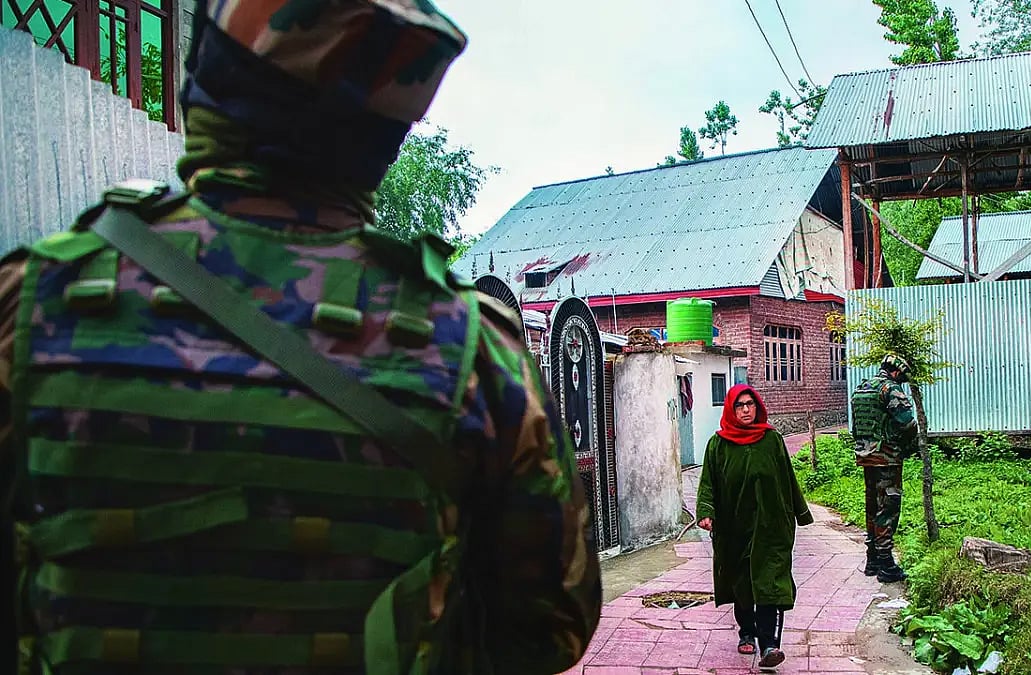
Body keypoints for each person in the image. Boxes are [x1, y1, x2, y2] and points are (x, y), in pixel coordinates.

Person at [0, 1, 601, 673]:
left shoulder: (30, 303)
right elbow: (551, 625)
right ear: (381, 140)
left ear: (205, 86)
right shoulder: (473, 351)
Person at [695, 385, 813, 670]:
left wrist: (801, 512)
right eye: (740, 406)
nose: (746, 410)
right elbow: (708, 483)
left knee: (769, 583)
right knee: (743, 584)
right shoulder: (718, 444)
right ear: (731, 410)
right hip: (734, 528)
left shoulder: (771, 440)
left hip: (771, 526)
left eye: (750, 404)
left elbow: (787, 477)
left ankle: (769, 644)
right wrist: (706, 512)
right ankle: (746, 630)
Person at [850, 354, 919, 584]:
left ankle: (872, 559)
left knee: (872, 505)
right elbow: (908, 423)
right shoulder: (890, 389)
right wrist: (908, 447)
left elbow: (856, 426)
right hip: (887, 457)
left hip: (865, 456)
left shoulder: (862, 388)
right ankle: (886, 563)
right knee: (888, 507)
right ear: (897, 372)